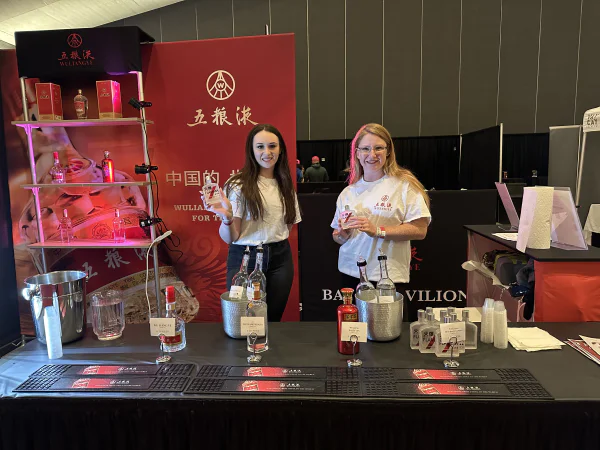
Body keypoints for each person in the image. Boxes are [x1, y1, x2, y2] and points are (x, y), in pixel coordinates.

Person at [202, 124, 301, 322]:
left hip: (280, 258)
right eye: (260, 147)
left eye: (272, 146)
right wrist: (227, 217)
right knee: (245, 321)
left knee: (273, 319)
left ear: (280, 149)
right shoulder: (238, 185)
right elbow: (231, 237)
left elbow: (288, 225)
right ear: (251, 150)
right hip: (245, 258)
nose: (267, 152)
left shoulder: (285, 184)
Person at [331, 123, 431, 290]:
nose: (372, 155)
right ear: (357, 153)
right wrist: (343, 233)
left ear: (388, 151)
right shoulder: (348, 192)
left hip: (387, 275)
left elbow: (420, 230)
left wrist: (377, 231)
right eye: (365, 149)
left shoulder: (404, 186)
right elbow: (338, 237)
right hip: (350, 272)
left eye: (378, 148)